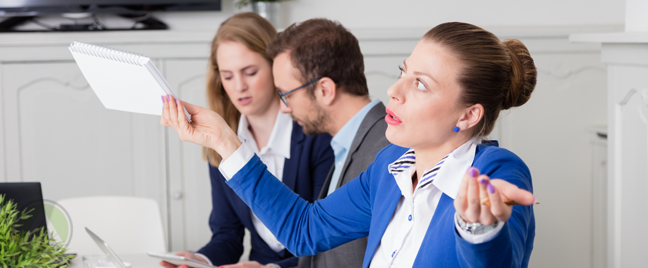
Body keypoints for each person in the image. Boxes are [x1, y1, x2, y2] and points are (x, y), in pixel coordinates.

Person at [161, 21, 538, 267]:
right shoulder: (391, 166)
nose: (394, 91)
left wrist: (479, 231)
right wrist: (225, 141)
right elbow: (304, 228)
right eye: (403, 73)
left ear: (468, 116)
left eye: (420, 84)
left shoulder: (497, 171)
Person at [160, 13, 334, 268]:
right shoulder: (221, 140)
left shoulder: (317, 136)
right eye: (228, 76)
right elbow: (228, 235)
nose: (239, 86)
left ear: (276, 68)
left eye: (250, 72)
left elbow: (330, 241)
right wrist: (199, 259)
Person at [266, 19, 390, 268]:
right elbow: (333, 252)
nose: (283, 107)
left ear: (324, 90)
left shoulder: (384, 149)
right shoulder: (348, 142)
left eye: (286, 94)